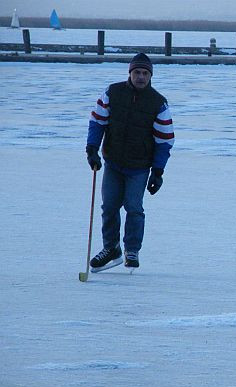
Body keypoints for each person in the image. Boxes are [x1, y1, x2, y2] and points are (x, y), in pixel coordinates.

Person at [85, 53, 174, 272]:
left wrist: (158, 171)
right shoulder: (113, 92)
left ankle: (131, 249)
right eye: (137, 73)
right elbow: (97, 122)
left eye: (145, 73)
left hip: (139, 166)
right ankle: (111, 248)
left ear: (150, 76)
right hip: (113, 161)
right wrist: (91, 149)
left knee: (133, 207)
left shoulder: (158, 102)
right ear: (130, 73)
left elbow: (164, 140)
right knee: (109, 207)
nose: (141, 77)